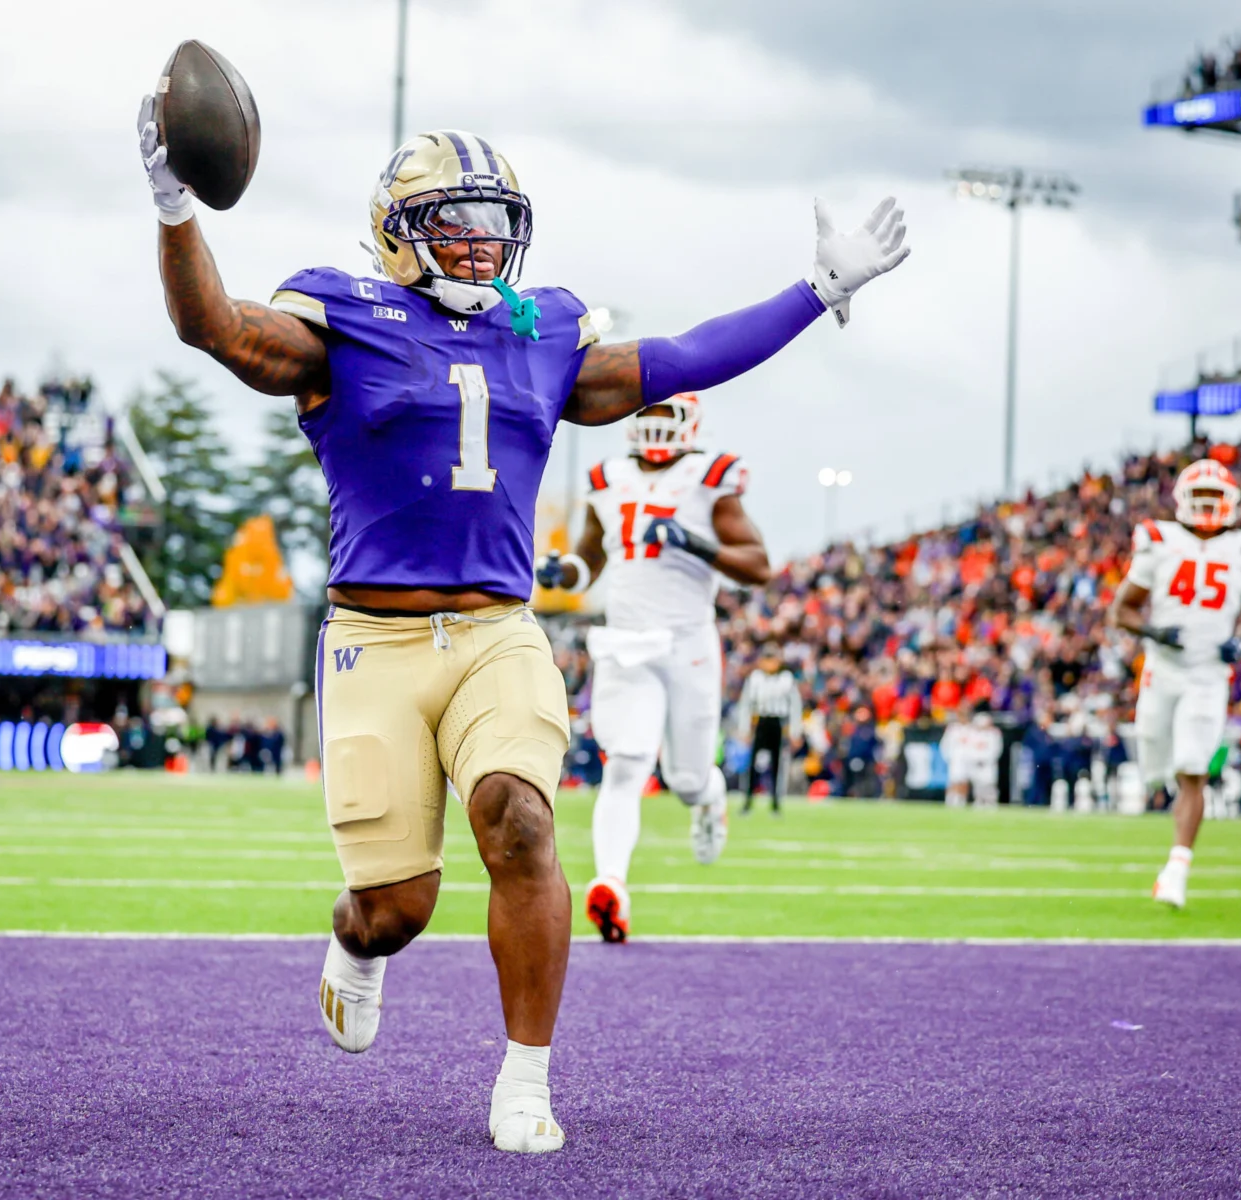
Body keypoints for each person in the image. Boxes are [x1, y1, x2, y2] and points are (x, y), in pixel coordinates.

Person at [141, 101, 908, 1152]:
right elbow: (214, 326)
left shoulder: (539, 329)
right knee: (397, 906)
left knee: (522, 819)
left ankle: (525, 1080)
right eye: (453, 221)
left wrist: (817, 292)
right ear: (395, 229)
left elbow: (681, 358)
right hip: (377, 641)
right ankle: (355, 943)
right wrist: (175, 205)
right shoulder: (344, 315)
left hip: (500, 630)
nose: (479, 241)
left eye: (493, 221)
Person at [538, 393, 773, 943]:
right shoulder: (607, 478)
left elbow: (758, 566)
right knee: (627, 763)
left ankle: (709, 799)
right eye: (647, 414)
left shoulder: (709, 476)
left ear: (689, 423)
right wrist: (562, 573)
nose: (653, 425)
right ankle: (611, 885)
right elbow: (590, 559)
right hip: (625, 642)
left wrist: (692, 542)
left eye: (664, 416)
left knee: (687, 779)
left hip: (688, 641)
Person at [1108, 458, 1241, 909]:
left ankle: (1177, 869)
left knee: (1192, 768)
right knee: (1155, 767)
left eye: (1214, 499)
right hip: (1162, 671)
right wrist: (1155, 632)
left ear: (1230, 503)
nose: (1206, 507)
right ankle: (1170, 826)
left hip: (1207, 676)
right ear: (1182, 500)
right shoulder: (1161, 541)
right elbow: (1120, 611)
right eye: (1199, 498)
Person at [737, 643, 800, 815]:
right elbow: (746, 705)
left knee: (777, 765)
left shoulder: (786, 678)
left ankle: (775, 803)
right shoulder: (755, 678)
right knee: (752, 765)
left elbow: (795, 707)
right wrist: (744, 729)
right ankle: (748, 801)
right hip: (761, 722)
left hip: (778, 723)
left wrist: (795, 731)